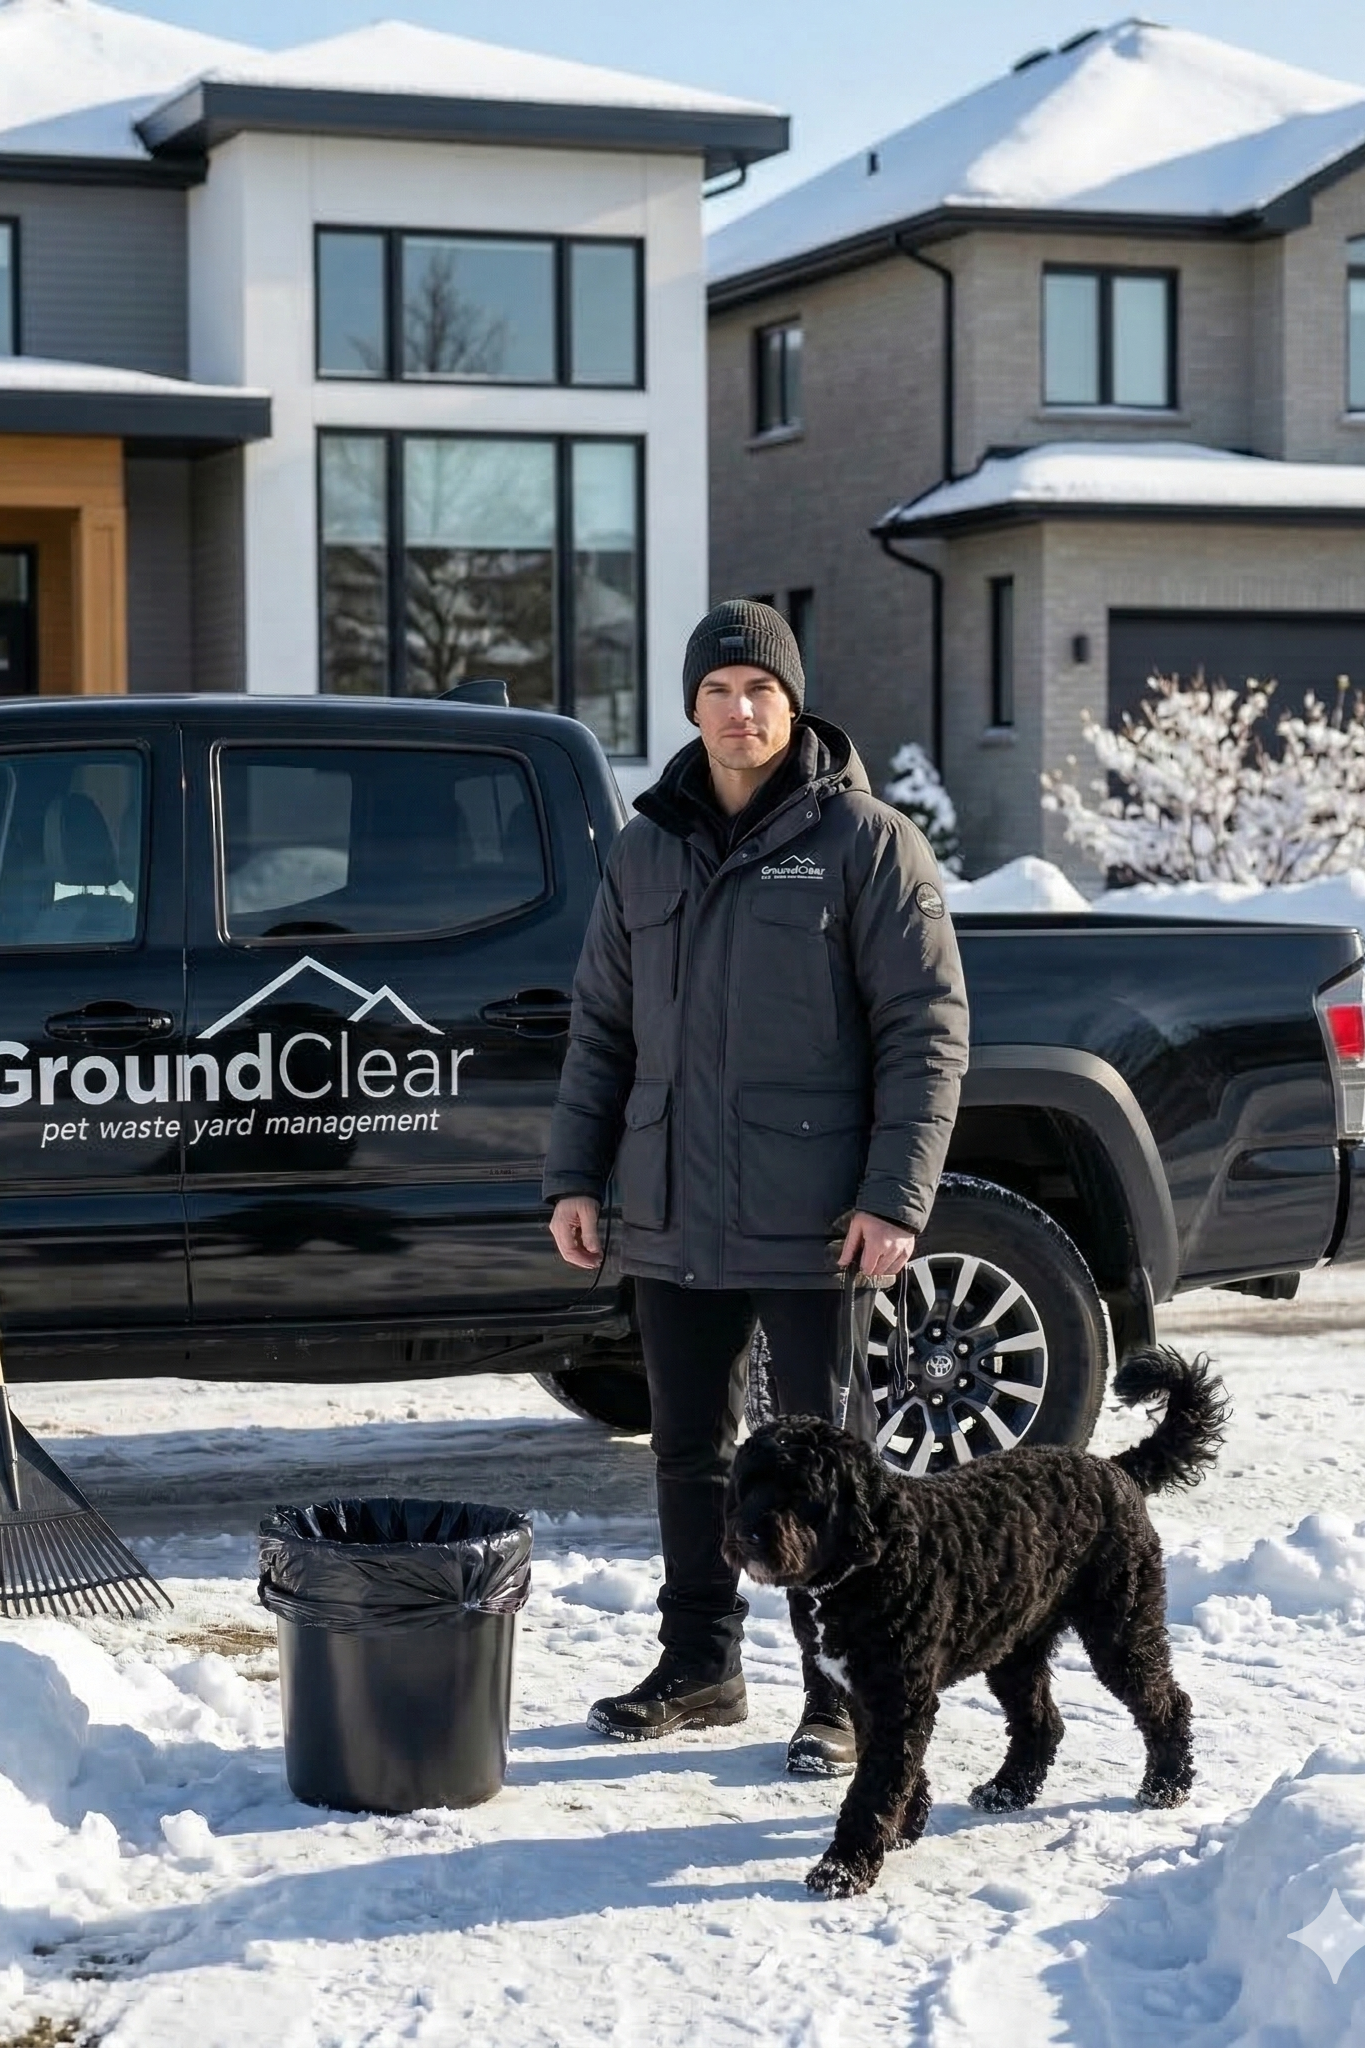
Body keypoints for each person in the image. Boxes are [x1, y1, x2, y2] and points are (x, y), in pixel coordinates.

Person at [543, 598, 970, 1773]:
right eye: (721, 689)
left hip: (815, 1215)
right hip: (672, 1206)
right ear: (692, 706)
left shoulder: (867, 842)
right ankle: (700, 1664)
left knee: (832, 1455)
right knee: (687, 1445)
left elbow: (925, 1027)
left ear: (794, 705)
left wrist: (896, 1193)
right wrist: (576, 1176)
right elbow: (602, 1032)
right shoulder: (645, 848)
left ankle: (842, 1688)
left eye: (762, 691)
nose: (741, 709)